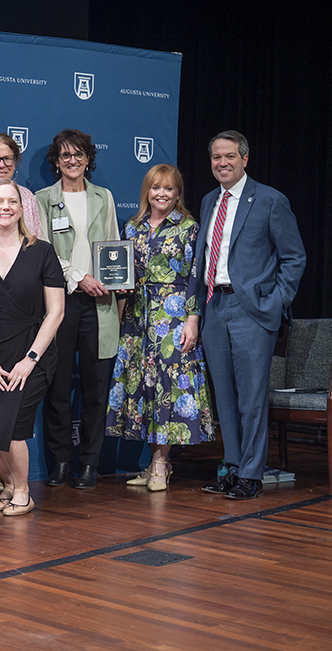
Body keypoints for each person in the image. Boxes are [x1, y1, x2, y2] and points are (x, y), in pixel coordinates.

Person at [196, 131, 305, 500]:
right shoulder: (210, 200)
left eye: (228, 156)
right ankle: (231, 468)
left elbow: (294, 257)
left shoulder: (270, 200)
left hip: (251, 310)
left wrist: (276, 301)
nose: (221, 163)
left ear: (245, 158)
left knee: (252, 397)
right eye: (215, 157)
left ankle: (252, 474)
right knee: (223, 396)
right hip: (214, 307)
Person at [105, 164, 215, 491]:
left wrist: (192, 319)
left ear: (178, 193)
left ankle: (159, 462)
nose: (162, 194)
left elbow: (197, 276)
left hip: (174, 316)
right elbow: (124, 274)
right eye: (156, 188)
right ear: (147, 192)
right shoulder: (132, 228)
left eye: (169, 189)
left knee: (168, 386)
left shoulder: (188, 228)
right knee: (145, 388)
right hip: (138, 316)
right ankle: (156, 460)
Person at [0, 179, 65, 516]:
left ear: (22, 209)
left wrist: (31, 360)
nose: (5, 207)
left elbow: (56, 312)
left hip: (31, 352)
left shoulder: (42, 251)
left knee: (14, 430)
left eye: (12, 201)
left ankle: (23, 490)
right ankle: (9, 483)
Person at [36, 129, 120, 490]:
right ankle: (60, 463)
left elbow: (114, 245)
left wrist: (117, 278)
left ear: (89, 158)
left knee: (94, 390)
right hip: (59, 301)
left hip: (100, 303)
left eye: (79, 154)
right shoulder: (42, 199)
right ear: (56, 160)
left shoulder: (104, 197)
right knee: (56, 389)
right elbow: (42, 249)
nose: (72, 161)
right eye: (65, 155)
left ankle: (89, 464)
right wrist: (77, 275)